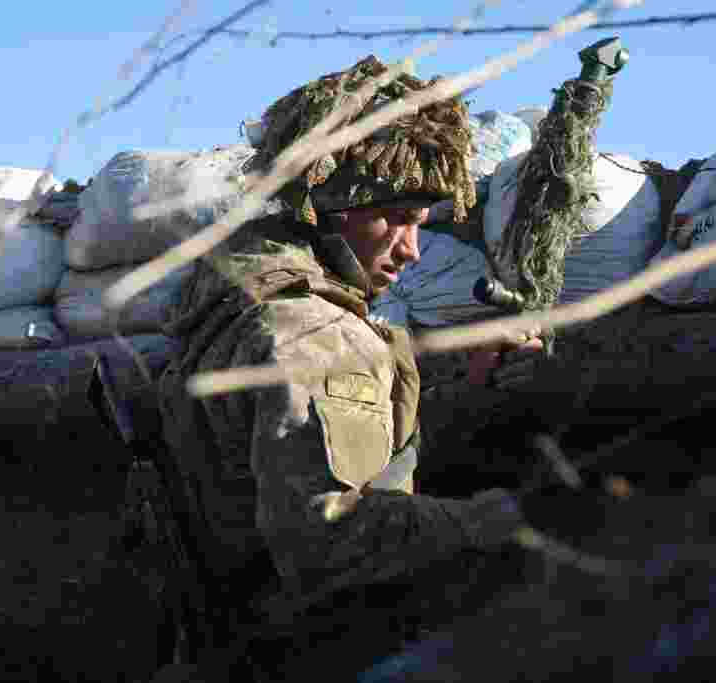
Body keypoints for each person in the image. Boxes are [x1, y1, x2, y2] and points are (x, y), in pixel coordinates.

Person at [156, 55, 545, 652]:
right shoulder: (315, 331)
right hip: (306, 641)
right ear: (333, 206)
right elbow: (327, 540)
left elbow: (304, 439)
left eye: (420, 223)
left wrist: (452, 384)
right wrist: (499, 519)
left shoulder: (241, 294)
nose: (412, 249)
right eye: (396, 219)